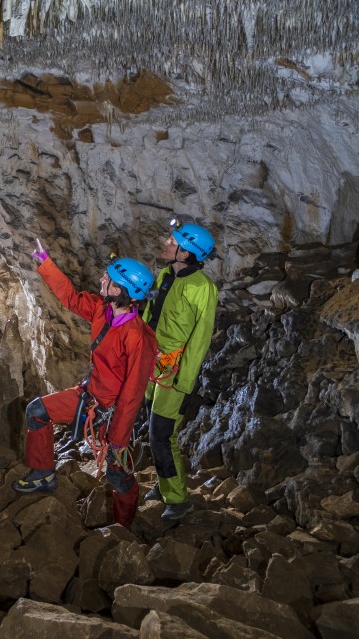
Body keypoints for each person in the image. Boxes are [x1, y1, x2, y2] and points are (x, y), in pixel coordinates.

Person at [13, 238, 158, 527]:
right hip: (88, 397)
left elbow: (132, 394)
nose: (102, 279)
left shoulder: (138, 337)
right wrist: (45, 261)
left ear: (120, 290)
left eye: (108, 278)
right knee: (37, 412)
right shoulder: (101, 310)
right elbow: (71, 297)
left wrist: (117, 439)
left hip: (113, 412)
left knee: (117, 475)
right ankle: (43, 475)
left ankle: (123, 529)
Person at [141, 219, 219, 520]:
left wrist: (184, 382)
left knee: (162, 434)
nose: (166, 244)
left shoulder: (203, 288)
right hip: (153, 364)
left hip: (175, 373)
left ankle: (178, 498)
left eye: (173, 243)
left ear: (186, 254)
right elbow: (152, 314)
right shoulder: (165, 275)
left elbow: (200, 339)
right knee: (152, 426)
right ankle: (163, 486)